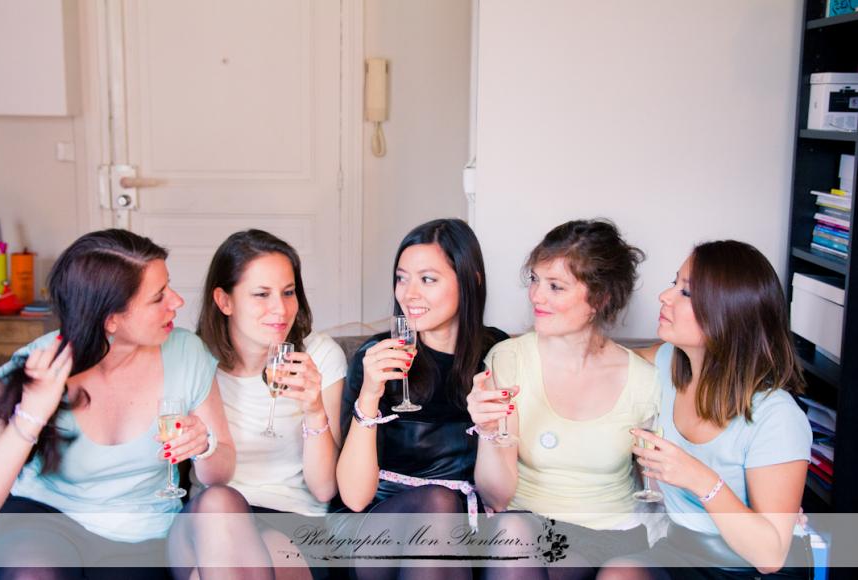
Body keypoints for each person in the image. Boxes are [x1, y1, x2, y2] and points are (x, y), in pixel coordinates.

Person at [0, 229, 236, 580]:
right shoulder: (39, 362)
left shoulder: (186, 353)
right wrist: (31, 413)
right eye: (158, 297)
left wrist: (205, 446)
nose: (177, 301)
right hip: (45, 519)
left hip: (144, 531)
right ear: (111, 319)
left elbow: (222, 470)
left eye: (170, 286)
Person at [598, 240, 813, 580]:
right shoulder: (666, 363)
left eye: (686, 292)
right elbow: (598, 360)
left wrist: (702, 481)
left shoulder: (778, 417)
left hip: (754, 570)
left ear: (727, 313)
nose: (664, 296)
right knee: (620, 573)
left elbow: (770, 555)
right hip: (684, 552)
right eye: (674, 283)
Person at [466, 219, 659, 580]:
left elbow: (661, 490)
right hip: (529, 531)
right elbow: (495, 498)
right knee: (513, 532)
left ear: (599, 299)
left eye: (555, 286)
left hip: (614, 535)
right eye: (535, 280)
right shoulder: (508, 359)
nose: (536, 296)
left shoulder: (645, 381)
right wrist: (489, 432)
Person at [335, 218, 509, 580]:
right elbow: (353, 498)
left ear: (470, 281)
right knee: (437, 503)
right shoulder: (375, 358)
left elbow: (499, 493)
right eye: (401, 277)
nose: (408, 293)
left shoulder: (496, 355)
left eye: (427, 279)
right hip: (379, 530)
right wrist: (369, 394)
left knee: (448, 513)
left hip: (465, 531)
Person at [193, 229, 347, 579]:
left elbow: (324, 488)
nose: (280, 309)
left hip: (294, 519)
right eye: (262, 294)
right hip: (209, 520)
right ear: (225, 301)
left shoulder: (320, 356)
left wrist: (314, 410)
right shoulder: (195, 360)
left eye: (288, 292)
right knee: (219, 505)